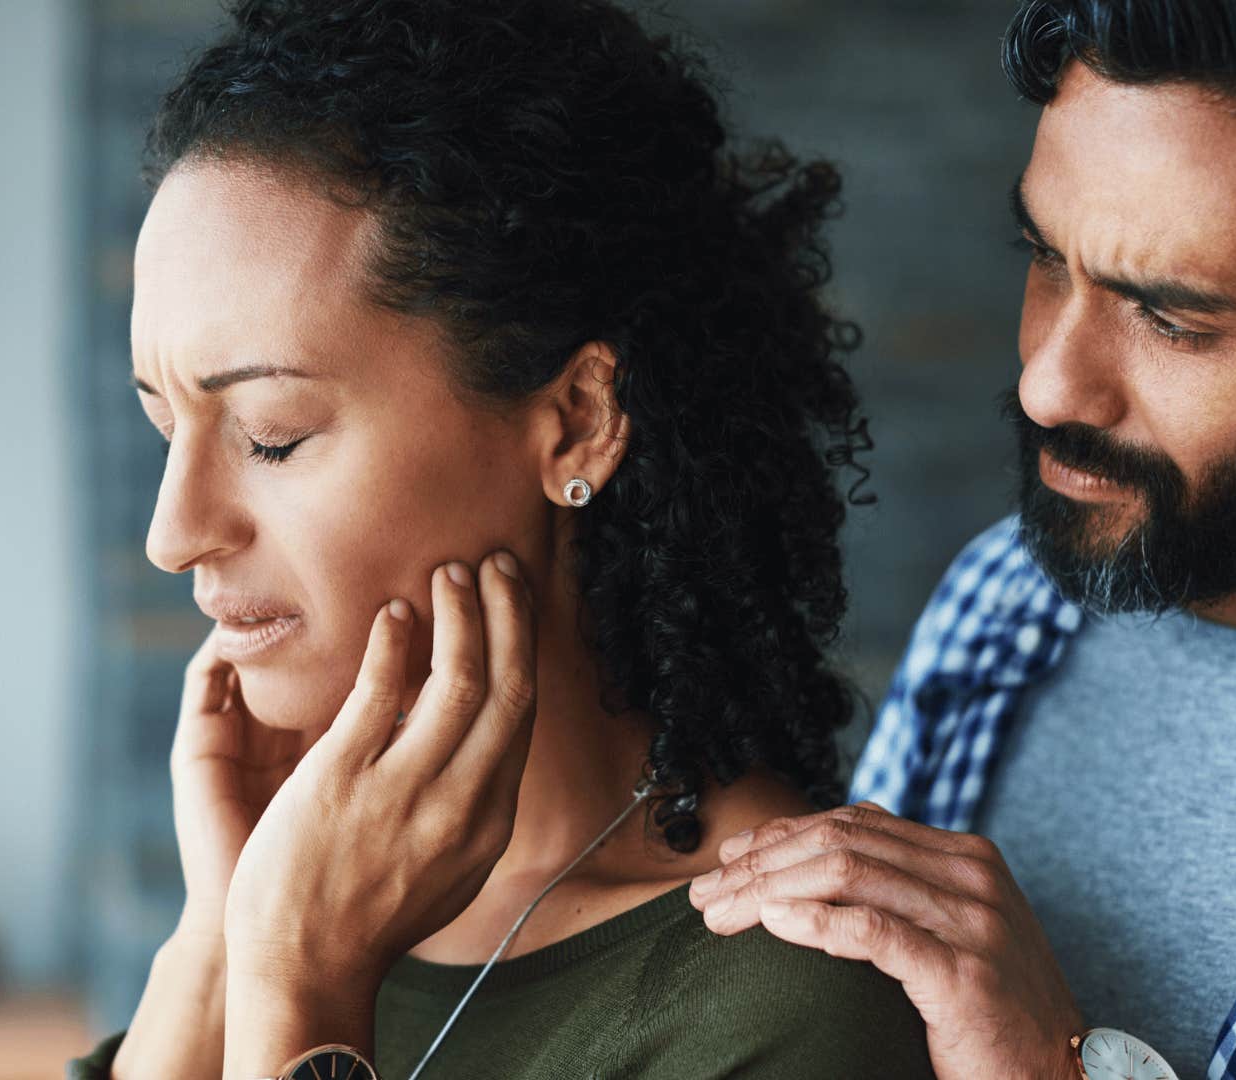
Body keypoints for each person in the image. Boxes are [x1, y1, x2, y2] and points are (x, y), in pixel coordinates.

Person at [66, 1, 934, 1077]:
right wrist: (217, 940)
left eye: (271, 436)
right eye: (164, 424)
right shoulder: (294, 902)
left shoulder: (783, 999)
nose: (173, 533)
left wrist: (302, 987)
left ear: (575, 419)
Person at [687, 1, 1236, 1078]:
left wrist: (1047, 1065)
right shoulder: (1005, 598)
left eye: (1172, 318)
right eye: (1046, 259)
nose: (1049, 382)